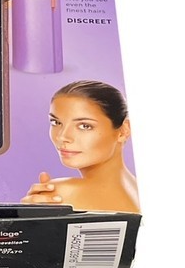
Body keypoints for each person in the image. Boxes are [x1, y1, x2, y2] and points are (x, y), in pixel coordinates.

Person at [21, 80, 140, 213]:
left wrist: (24, 218)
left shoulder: (60, 195)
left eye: (85, 126)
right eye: (56, 122)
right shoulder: (138, 190)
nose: (62, 136)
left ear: (123, 131)